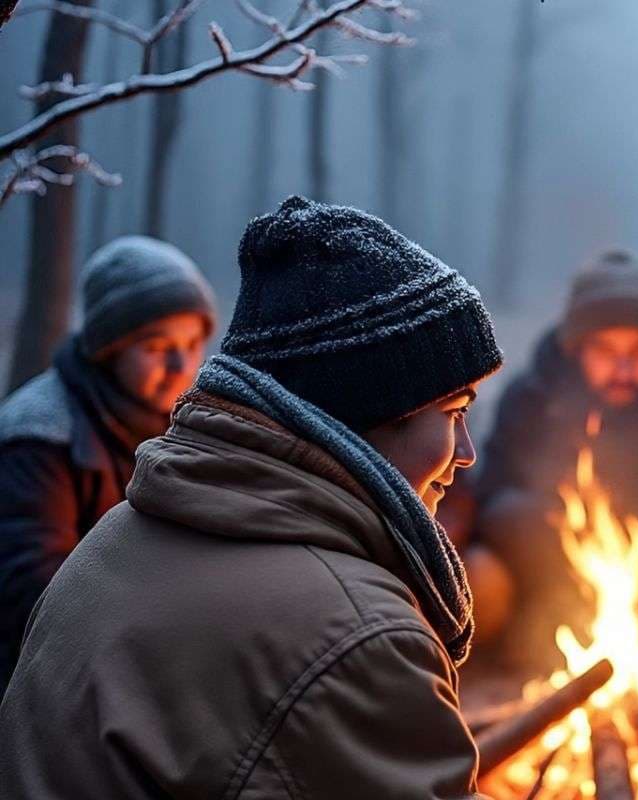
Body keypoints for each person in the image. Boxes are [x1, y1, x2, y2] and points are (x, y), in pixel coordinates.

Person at [0, 196, 504, 798]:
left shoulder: (117, 535)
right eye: (453, 411)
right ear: (371, 410)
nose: (466, 451)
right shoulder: (359, 636)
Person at [475, 249, 638, 662]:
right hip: (541, 574)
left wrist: (626, 540)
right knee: (478, 577)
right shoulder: (532, 396)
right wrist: (567, 531)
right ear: (576, 348)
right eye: (606, 351)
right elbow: (492, 499)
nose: (624, 370)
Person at [0, 235, 216, 693]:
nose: (183, 363)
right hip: (49, 686)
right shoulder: (39, 437)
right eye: (158, 347)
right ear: (109, 350)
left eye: (194, 342)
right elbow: (35, 599)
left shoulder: (189, 425)